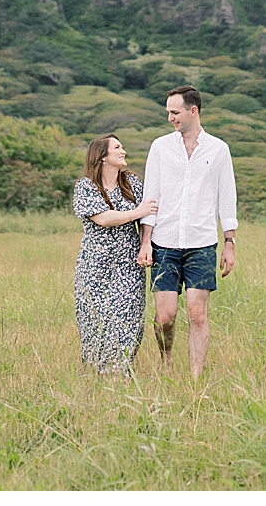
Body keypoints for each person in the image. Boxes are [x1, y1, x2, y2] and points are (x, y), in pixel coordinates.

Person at [137, 85, 237, 379]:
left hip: (202, 243)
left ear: (193, 111)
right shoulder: (160, 147)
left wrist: (229, 243)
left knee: (197, 314)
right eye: (168, 112)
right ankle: (166, 361)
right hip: (164, 242)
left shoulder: (218, 149)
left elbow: (226, 198)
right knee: (165, 316)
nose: (170, 117)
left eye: (175, 112)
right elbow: (150, 197)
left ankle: (195, 378)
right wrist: (146, 241)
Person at [72, 134, 158, 375]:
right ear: (102, 157)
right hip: (94, 265)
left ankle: (121, 371)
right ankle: (97, 373)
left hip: (129, 264)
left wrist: (146, 243)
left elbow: (148, 215)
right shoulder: (86, 186)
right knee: (93, 320)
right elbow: (103, 218)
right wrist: (136, 212)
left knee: (128, 318)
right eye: (117, 147)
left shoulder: (131, 183)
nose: (123, 151)